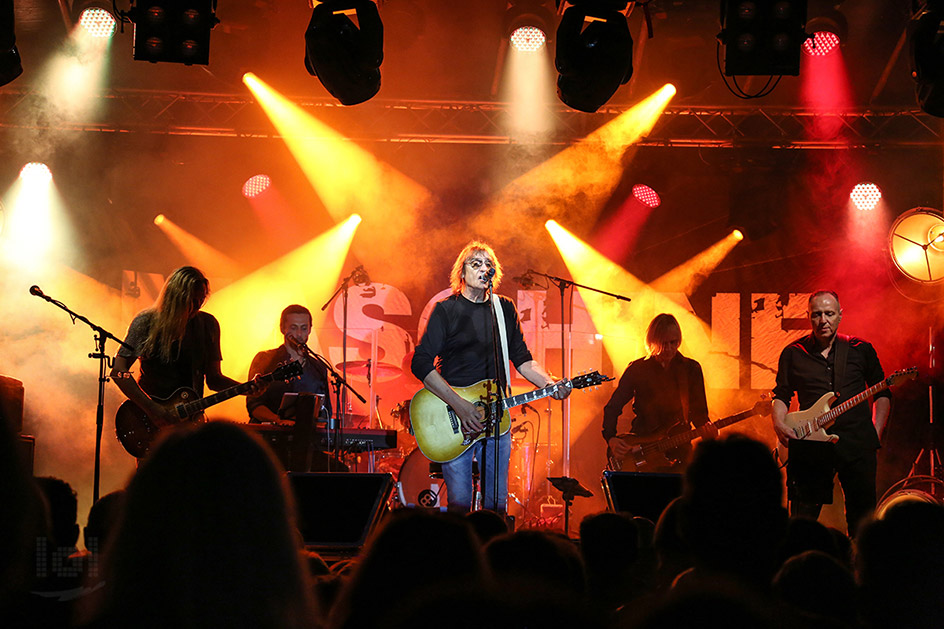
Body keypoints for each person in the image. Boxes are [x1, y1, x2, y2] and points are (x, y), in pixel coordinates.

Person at [410, 240, 569, 513]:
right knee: (459, 502)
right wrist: (460, 406)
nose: (485, 269)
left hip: (497, 415)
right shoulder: (447, 310)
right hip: (458, 415)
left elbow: (523, 359)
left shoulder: (503, 308)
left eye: (489, 264)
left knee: (496, 503)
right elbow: (420, 362)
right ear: (462, 273)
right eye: (477, 263)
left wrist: (550, 384)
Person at [771, 290, 891, 536]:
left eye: (829, 313)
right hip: (811, 444)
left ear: (840, 316)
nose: (823, 320)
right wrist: (779, 424)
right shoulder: (793, 353)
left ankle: (858, 569)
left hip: (856, 442)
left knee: (862, 520)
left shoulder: (861, 349)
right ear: (808, 316)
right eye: (816, 314)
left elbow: (882, 393)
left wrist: (875, 432)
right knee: (802, 522)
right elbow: (781, 395)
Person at [111, 267, 263, 438]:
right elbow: (119, 371)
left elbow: (214, 379)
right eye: (192, 300)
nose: (197, 305)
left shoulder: (208, 325)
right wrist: (152, 409)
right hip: (151, 422)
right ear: (176, 297)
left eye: (202, 299)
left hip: (191, 422)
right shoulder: (146, 322)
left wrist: (245, 388)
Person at [602, 313, 711, 471]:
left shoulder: (691, 369)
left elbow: (699, 414)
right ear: (652, 341)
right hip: (643, 451)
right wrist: (611, 438)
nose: (668, 348)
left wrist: (708, 431)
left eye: (673, 342)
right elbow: (613, 407)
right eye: (663, 343)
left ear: (679, 340)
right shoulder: (637, 369)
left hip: (679, 452)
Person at [247, 304, 332, 424]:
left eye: (303, 328)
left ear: (309, 329)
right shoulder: (265, 359)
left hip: (304, 436)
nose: (298, 334)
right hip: (268, 435)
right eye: (293, 328)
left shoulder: (318, 367)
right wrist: (277, 420)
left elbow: (325, 411)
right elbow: (254, 404)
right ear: (282, 328)